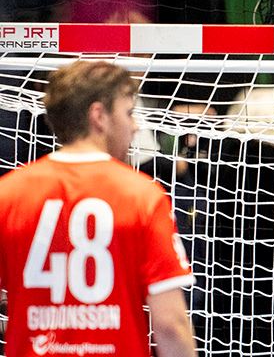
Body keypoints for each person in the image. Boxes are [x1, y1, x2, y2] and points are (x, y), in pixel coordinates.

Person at [0, 61, 196, 357]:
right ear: (99, 116)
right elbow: (170, 325)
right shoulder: (142, 195)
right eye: (128, 113)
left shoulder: (8, 193)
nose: (135, 125)